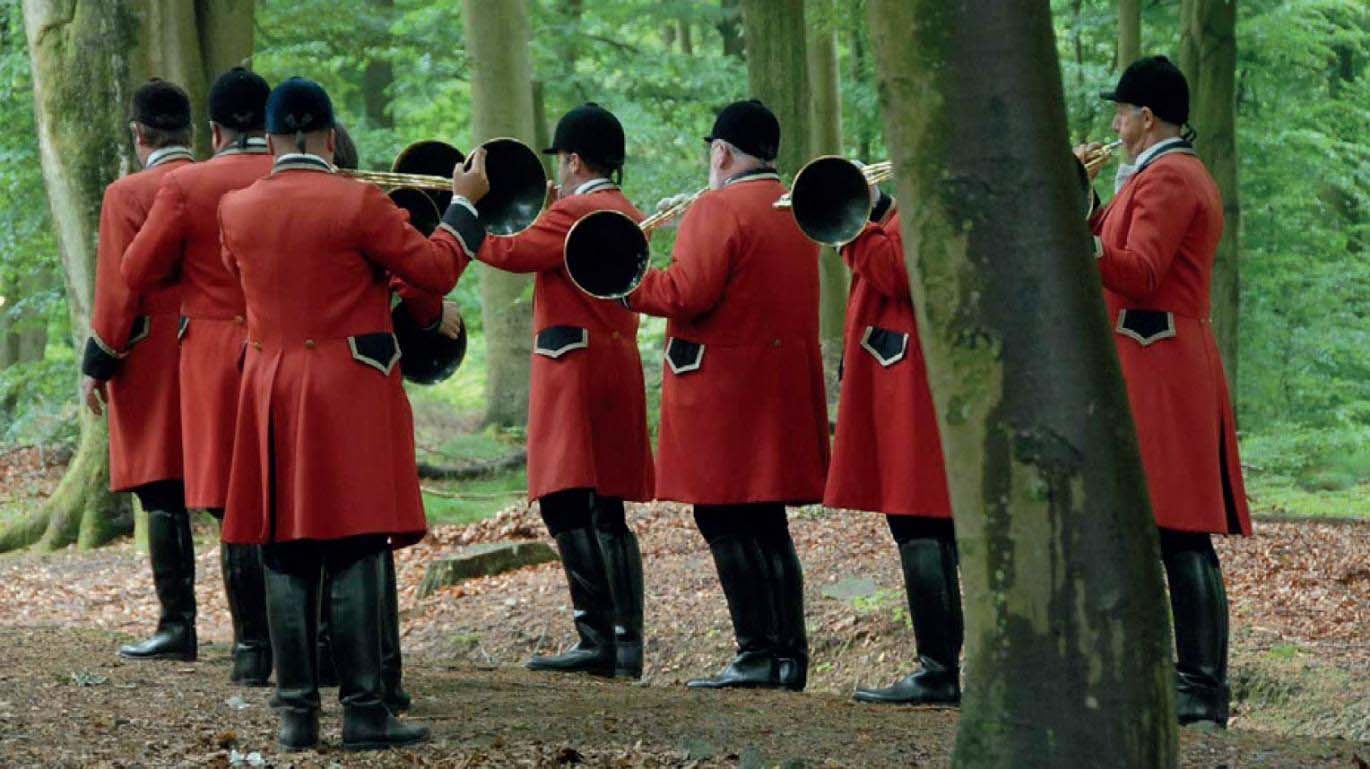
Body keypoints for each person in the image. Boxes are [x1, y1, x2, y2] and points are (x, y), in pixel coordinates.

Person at [217, 77, 488, 750]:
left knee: (283, 546)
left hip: (269, 386)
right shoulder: (357, 202)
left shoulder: (236, 208)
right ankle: (365, 710)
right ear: (332, 137)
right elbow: (432, 270)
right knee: (357, 542)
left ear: (274, 138)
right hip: (348, 385)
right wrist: (463, 206)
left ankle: (296, 715)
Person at [622, 100, 828, 691]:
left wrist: (628, 282)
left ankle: (756, 651)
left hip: (723, 392)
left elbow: (687, 293)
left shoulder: (716, 209)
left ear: (721, 152)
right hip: (777, 387)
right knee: (767, 522)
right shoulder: (797, 208)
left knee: (723, 517)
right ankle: (789, 656)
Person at [1077, 55, 1253, 727]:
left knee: (1180, 532)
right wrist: (1088, 211)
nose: (1115, 126)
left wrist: (1077, 235)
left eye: (1121, 113)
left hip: (1163, 362)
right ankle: (1185, 679)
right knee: (1165, 529)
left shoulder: (1169, 177)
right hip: (1157, 360)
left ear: (1146, 117)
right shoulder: (1157, 174)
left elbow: (1142, 271)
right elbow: (1122, 248)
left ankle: (1202, 685)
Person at [475, 103, 653, 679]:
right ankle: (625, 643)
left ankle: (595, 636)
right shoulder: (625, 209)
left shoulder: (574, 213)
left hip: (570, 367)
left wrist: (460, 212)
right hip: (616, 366)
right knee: (608, 508)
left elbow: (507, 251)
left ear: (574, 160)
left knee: (564, 501)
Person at [121, 67, 275, 686]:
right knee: (288, 497)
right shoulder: (302, 177)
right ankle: (312, 646)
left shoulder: (186, 185)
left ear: (213, 129)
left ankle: (251, 650)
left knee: (227, 501)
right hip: (284, 349)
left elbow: (135, 271)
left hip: (212, 358)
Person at [822, 184, 962, 706]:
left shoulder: (940, 193)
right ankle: (939, 666)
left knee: (919, 520)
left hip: (915, 373)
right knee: (921, 522)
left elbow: (901, 272)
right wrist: (879, 213)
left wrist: (852, 222)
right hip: (902, 367)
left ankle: (938, 669)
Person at [81, 79, 195, 663]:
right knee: (235, 490)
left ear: (138, 134)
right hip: (219, 347)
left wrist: (99, 358)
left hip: (150, 357)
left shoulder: (126, 193)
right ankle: (259, 638)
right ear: (193, 133)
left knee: (162, 493)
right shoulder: (218, 182)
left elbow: (119, 288)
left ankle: (178, 626)